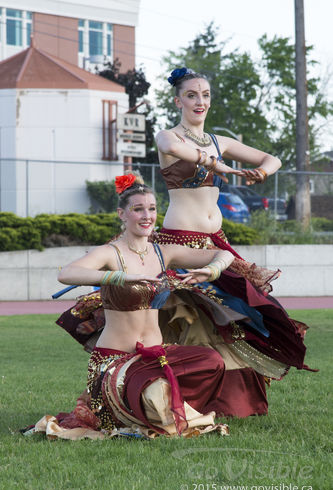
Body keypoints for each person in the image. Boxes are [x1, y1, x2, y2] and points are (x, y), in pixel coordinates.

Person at [152, 67, 314, 418]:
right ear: (178, 100)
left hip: (217, 241)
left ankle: (226, 401)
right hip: (182, 240)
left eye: (205, 94)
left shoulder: (219, 141)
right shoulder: (168, 137)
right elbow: (177, 150)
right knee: (192, 321)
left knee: (237, 316)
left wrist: (262, 172)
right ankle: (178, 399)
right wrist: (223, 168)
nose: (200, 101)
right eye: (192, 95)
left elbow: (273, 159)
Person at [24, 174, 235, 440]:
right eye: (138, 209)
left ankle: (166, 405)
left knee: (212, 362)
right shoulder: (112, 253)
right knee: (157, 395)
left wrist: (211, 270)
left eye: (152, 208)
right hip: (116, 361)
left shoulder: (163, 252)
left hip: (155, 354)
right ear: (122, 214)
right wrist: (119, 277)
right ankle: (153, 406)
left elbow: (224, 252)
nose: (147, 216)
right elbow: (66, 273)